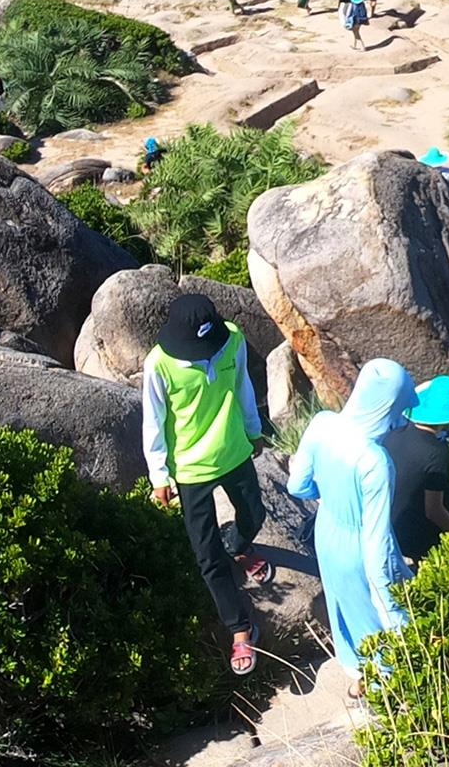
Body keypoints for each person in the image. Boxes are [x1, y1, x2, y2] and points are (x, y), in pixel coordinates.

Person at [141, 294, 273, 676]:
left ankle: (239, 546)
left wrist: (253, 430)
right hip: (190, 469)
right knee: (206, 555)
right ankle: (240, 630)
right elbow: (153, 420)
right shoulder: (159, 364)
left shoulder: (231, 338)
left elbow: (244, 386)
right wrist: (159, 474)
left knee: (254, 514)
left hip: (233, 450)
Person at [287, 359, 418, 693]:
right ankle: (386, 687)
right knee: (376, 619)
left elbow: (297, 486)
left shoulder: (322, 424)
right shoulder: (375, 461)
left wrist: (329, 497)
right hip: (358, 546)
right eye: (400, 410)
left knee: (342, 605)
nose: (401, 420)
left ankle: (357, 673)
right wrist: (391, 600)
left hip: (327, 531)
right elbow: (376, 542)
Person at [386, 375, 449, 564]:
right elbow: (433, 510)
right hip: (412, 536)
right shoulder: (436, 452)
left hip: (389, 524)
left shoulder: (394, 435)